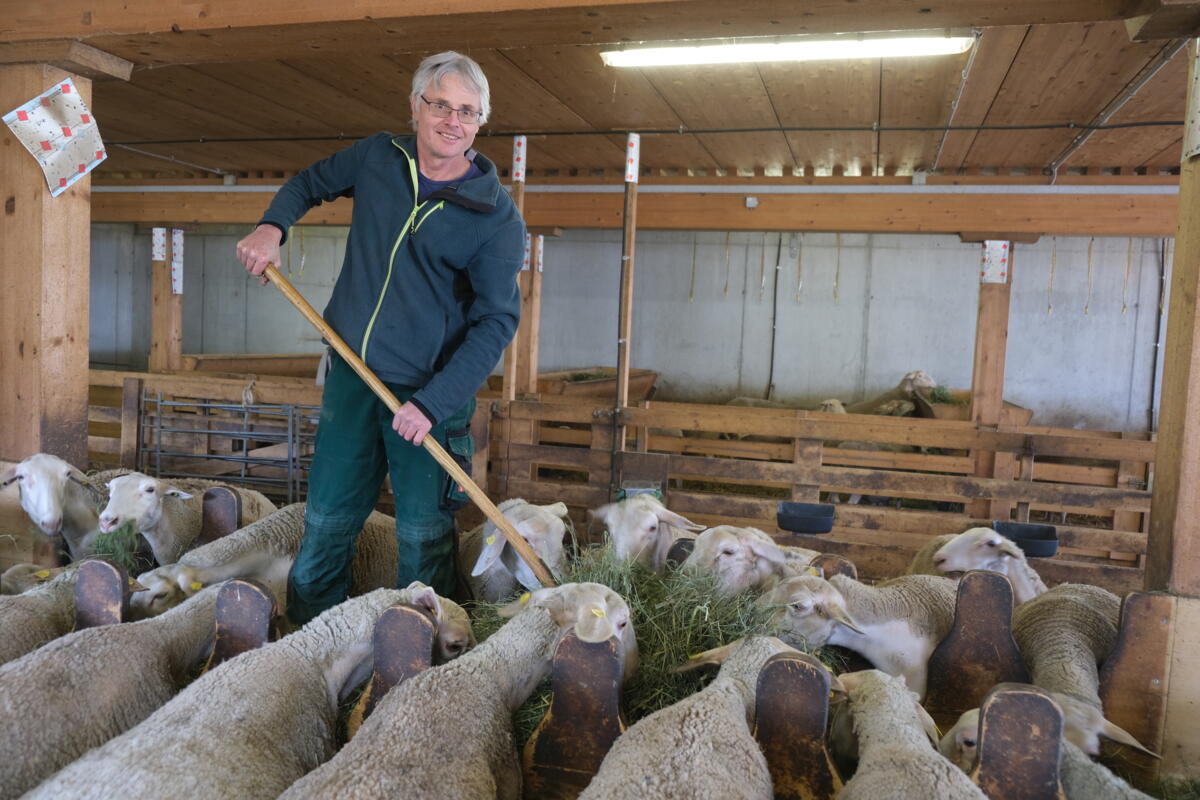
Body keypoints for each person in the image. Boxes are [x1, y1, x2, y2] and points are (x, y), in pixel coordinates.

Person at [235, 51, 525, 625]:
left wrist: (432, 403)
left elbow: (496, 323)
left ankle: (426, 643)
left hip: (427, 394)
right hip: (351, 371)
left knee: (423, 530)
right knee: (328, 517)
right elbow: (309, 182)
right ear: (416, 106)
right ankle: (312, 638)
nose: (452, 120)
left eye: (467, 111)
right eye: (440, 104)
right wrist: (273, 226)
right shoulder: (377, 157)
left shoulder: (495, 217)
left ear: (479, 122)